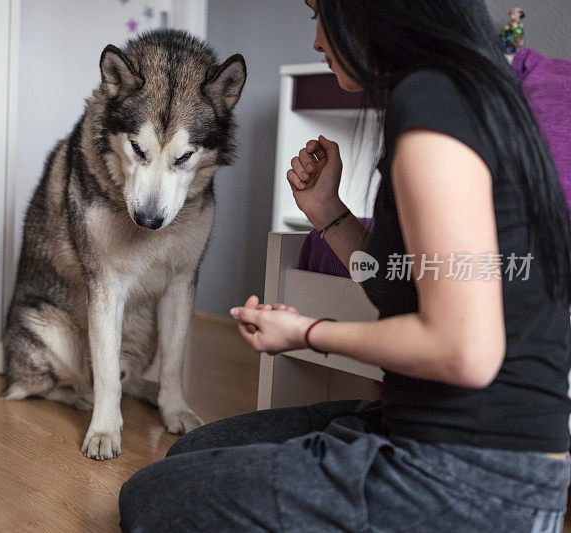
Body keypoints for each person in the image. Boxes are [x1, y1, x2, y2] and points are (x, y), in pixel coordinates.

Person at [119, 0, 571, 531]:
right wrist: (328, 212)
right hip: (434, 433)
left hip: (474, 474)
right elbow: (398, 280)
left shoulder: (433, 102)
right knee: (195, 452)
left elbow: (466, 350)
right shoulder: (459, 90)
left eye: (320, 14)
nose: (316, 40)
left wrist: (309, 332)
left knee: (148, 500)